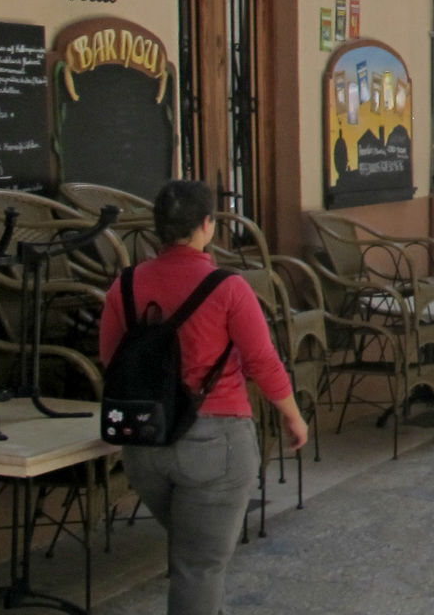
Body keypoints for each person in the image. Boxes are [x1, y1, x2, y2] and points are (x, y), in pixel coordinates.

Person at [99, 179, 309, 615]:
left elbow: (110, 359)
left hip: (144, 443)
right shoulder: (229, 288)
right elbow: (263, 363)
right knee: (198, 566)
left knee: (192, 556)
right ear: (206, 226)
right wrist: (293, 416)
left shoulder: (125, 286)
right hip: (215, 443)